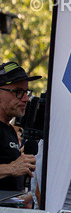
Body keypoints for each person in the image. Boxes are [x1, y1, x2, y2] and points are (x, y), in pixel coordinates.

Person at [0, 61, 38, 200]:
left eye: (26, 92)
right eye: (17, 92)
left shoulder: (9, 130)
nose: (26, 98)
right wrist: (11, 168)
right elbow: (12, 169)